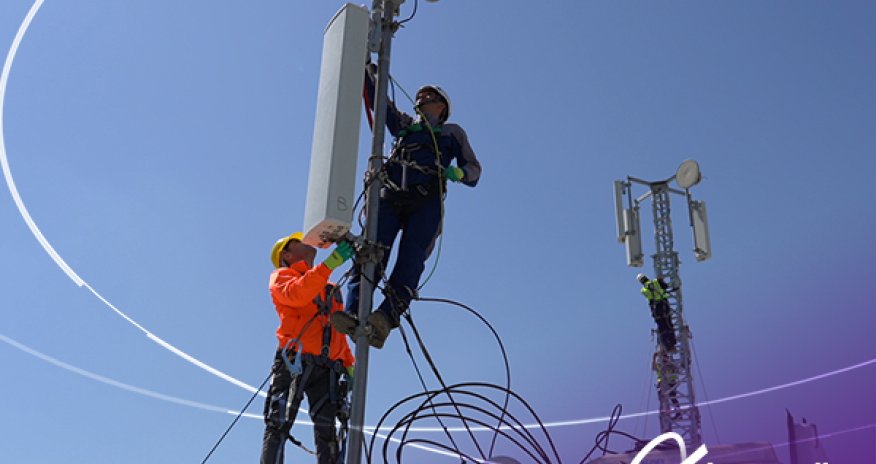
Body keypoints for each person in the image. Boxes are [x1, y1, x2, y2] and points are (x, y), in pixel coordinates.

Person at [332, 65, 481, 349]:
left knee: (411, 261)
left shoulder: (452, 133)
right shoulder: (403, 126)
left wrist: (461, 173)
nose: (421, 99)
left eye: (428, 96)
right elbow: (380, 103)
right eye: (420, 96)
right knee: (371, 252)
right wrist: (366, 69)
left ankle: (384, 318)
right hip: (390, 197)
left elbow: (474, 168)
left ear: (441, 106)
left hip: (426, 202)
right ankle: (353, 311)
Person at [261, 232, 355, 464]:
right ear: (286, 255)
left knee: (328, 434)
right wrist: (329, 264)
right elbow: (298, 294)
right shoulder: (282, 276)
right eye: (298, 242)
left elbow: (337, 333)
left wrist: (349, 364)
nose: (307, 242)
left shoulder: (330, 287)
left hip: (327, 366)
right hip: (294, 361)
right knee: (279, 424)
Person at [637, 273, 677, 351]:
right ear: (646, 277)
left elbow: (650, 299)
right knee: (668, 324)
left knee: (662, 328)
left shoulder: (643, 290)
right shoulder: (656, 281)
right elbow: (665, 287)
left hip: (656, 310)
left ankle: (667, 346)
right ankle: (672, 343)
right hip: (664, 306)